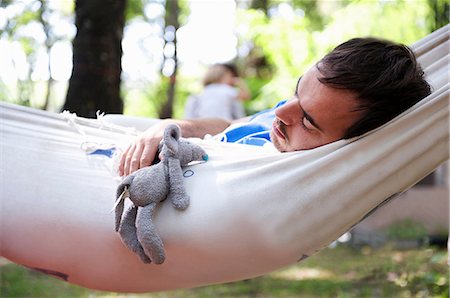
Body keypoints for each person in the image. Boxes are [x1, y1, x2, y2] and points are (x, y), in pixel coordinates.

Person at [119, 37, 431, 176]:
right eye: (297, 92)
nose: (282, 113)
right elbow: (229, 126)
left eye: (308, 121)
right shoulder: (287, 115)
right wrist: (169, 127)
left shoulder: (313, 172)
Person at [184, 63, 251, 120]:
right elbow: (246, 96)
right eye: (230, 76)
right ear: (222, 77)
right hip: (222, 124)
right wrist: (241, 83)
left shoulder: (202, 93)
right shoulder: (226, 89)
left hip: (203, 123)